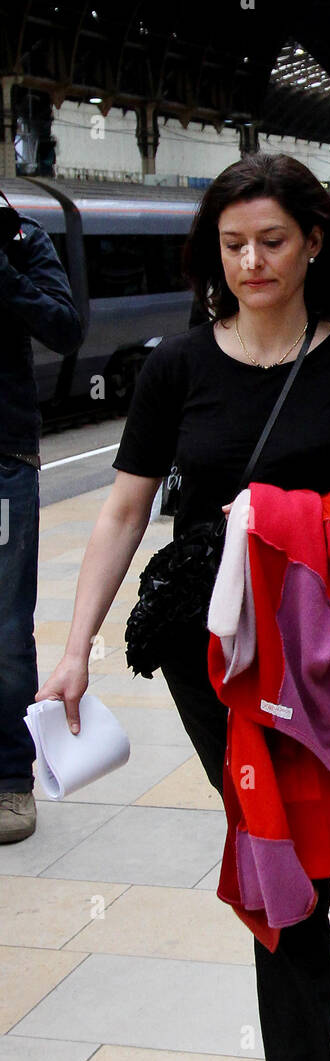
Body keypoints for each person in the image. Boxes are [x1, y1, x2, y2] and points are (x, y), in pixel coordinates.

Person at [37, 152, 330, 1061]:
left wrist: (303, 520)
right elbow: (123, 509)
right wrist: (72, 646)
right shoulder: (174, 366)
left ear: (312, 243)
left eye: (271, 240)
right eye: (232, 244)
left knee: (287, 849)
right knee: (280, 846)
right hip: (207, 657)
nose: (252, 261)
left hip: (313, 650)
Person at [0, 191, 83, 845]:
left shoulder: (20, 239)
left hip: (3, 458)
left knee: (3, 630)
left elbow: (65, 324)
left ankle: (9, 782)